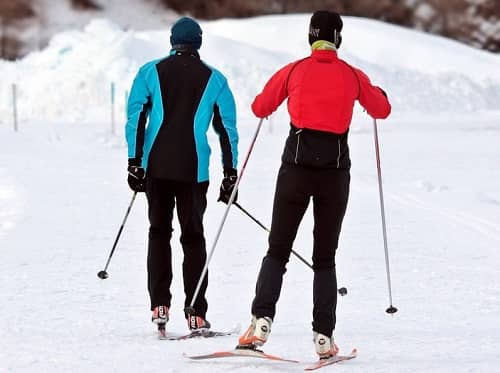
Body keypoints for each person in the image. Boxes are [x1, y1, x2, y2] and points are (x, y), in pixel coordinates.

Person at [238, 10, 391, 358]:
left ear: (311, 37)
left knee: (278, 248)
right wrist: (377, 92)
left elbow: (260, 107)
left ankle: (261, 322)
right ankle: (324, 337)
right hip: (335, 176)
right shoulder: (352, 75)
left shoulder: (294, 70)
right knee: (325, 257)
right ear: (337, 39)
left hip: (295, 171)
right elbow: (381, 110)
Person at [125, 16, 239, 334]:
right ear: (198, 42)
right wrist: (231, 174)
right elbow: (227, 130)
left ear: (173, 41)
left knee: (158, 233)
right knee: (193, 238)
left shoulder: (149, 71)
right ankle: (196, 313)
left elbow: (136, 118)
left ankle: (159, 305)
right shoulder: (215, 79)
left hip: (157, 168)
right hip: (194, 170)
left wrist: (135, 162)